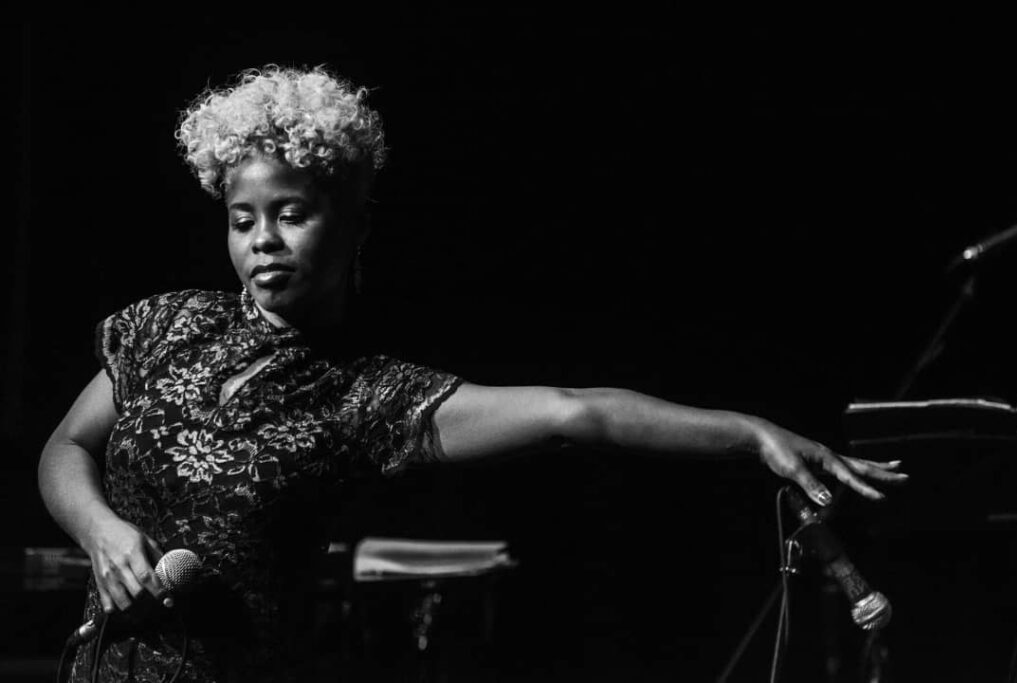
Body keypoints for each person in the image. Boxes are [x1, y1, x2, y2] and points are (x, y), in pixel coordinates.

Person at [37, 65, 905, 682]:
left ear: (352, 221)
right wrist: (100, 530)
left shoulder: (368, 397)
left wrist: (749, 431)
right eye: (242, 219)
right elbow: (66, 447)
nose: (263, 239)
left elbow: (575, 411)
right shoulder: (164, 325)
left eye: (291, 214)